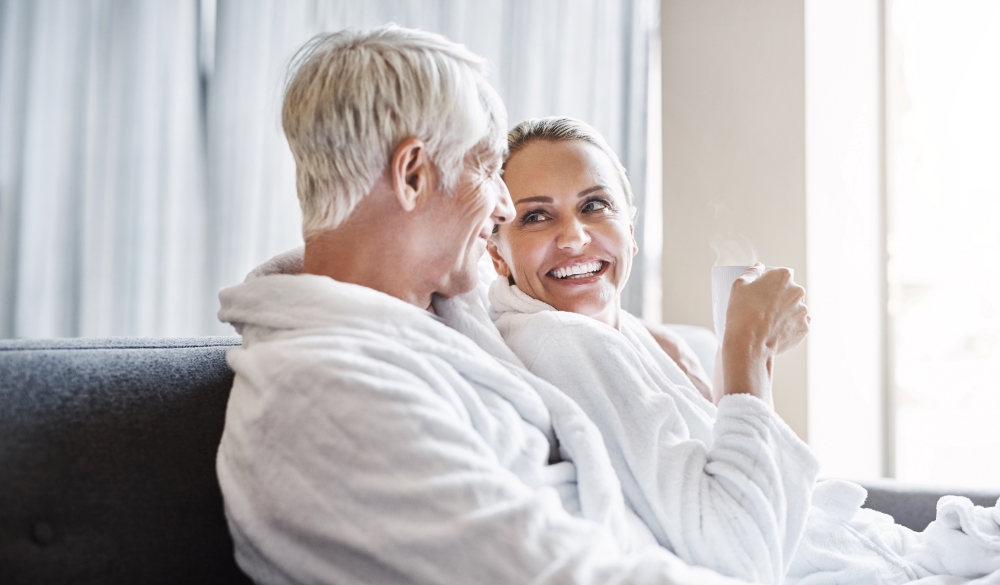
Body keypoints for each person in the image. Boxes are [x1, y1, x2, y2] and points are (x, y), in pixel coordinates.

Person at [215, 25, 755, 585]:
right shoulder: (325, 400)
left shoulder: (439, 313)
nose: (503, 208)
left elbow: (549, 295)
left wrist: (643, 338)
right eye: (484, 168)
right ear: (413, 174)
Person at [487, 117, 1000, 585]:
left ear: (631, 230)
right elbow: (740, 556)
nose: (574, 237)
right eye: (536, 217)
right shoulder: (563, 342)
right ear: (496, 251)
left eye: (594, 205)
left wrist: (755, 352)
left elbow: (738, 482)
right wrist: (746, 346)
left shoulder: (628, 337)